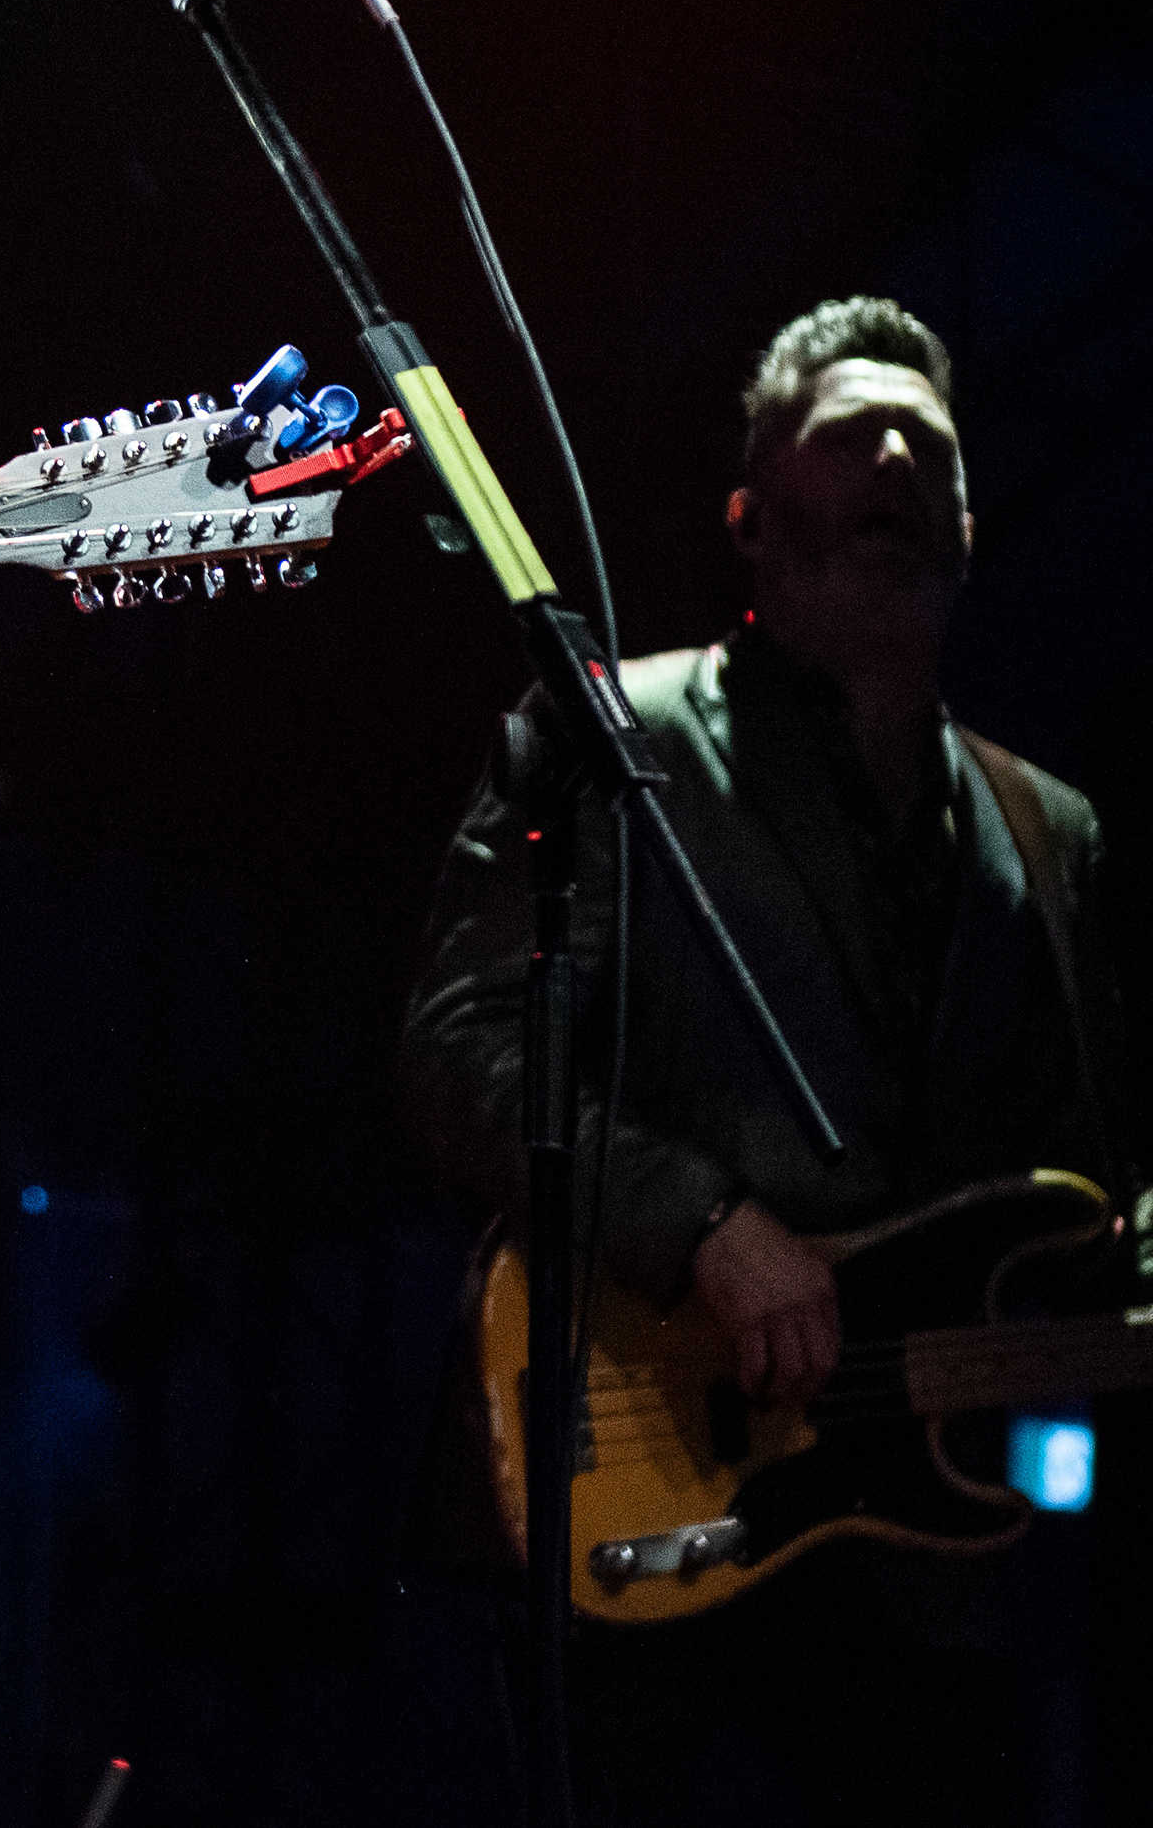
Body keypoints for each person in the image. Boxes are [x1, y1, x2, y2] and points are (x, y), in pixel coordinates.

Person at [403, 297, 1137, 1826]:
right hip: (650, 1505)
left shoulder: (1050, 830)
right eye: (850, 434)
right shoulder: (616, 736)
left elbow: (1085, 1174)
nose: (893, 455)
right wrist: (707, 1227)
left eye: (925, 445)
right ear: (750, 516)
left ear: (970, 521)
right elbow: (465, 1046)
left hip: (926, 1583)